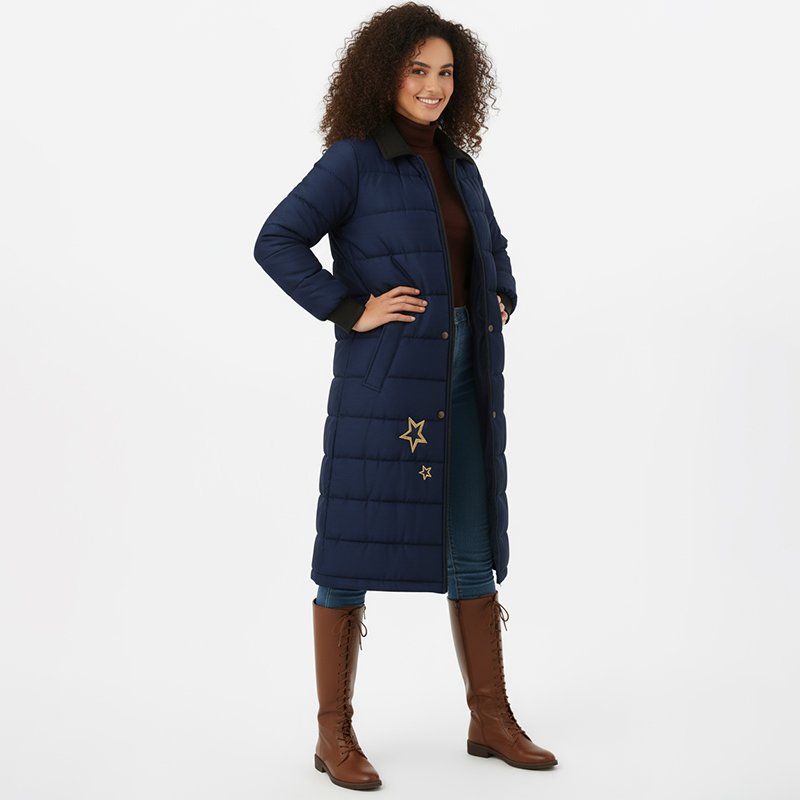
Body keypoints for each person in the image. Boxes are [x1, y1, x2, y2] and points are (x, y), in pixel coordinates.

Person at [253, 2, 557, 790]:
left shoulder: (460, 165)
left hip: (466, 376)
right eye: (418, 69)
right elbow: (276, 239)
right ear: (384, 74)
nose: (433, 85)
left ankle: (490, 717)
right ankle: (334, 734)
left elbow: (491, 246)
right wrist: (348, 307)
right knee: (348, 551)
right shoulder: (353, 161)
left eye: (446, 72)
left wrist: (502, 294)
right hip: (386, 387)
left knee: (472, 544)